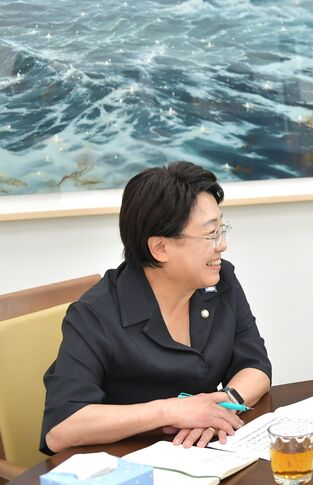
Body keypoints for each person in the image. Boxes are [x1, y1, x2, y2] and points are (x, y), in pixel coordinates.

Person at [41, 161, 272, 454]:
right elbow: (61, 428)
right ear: (160, 248)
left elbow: (255, 366)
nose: (222, 245)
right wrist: (172, 411)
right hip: (126, 464)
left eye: (221, 229)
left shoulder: (221, 281)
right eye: (211, 234)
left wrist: (221, 407)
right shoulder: (95, 315)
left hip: (202, 455)